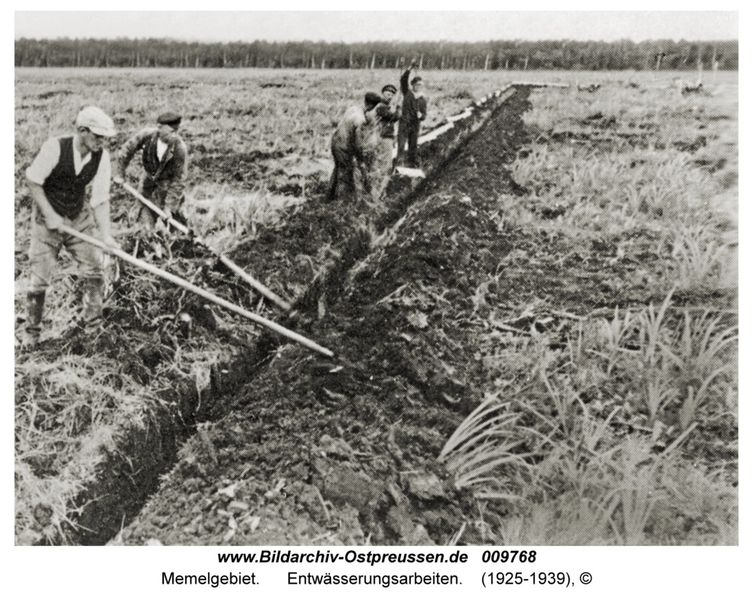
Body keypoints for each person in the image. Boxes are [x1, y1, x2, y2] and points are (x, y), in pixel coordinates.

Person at [22, 106, 118, 349]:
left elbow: (100, 199)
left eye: (105, 137)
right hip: (47, 219)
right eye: (98, 136)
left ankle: (93, 329)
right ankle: (31, 334)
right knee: (39, 280)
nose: (102, 142)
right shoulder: (55, 148)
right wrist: (50, 215)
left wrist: (106, 235)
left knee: (94, 271)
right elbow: (33, 180)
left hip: (78, 216)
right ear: (82, 131)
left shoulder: (101, 157)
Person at [115, 112, 188, 228]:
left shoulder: (179, 148)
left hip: (167, 184)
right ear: (159, 128)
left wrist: (169, 207)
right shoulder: (146, 135)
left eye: (176, 132)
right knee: (141, 211)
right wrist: (120, 173)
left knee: (171, 219)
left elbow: (178, 180)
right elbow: (126, 150)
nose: (174, 136)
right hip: (148, 179)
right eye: (171, 132)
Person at [328, 92, 382, 202]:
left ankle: (329, 197)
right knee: (345, 175)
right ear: (372, 106)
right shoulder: (360, 120)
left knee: (338, 169)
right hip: (343, 147)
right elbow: (357, 143)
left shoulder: (353, 109)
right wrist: (360, 159)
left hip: (335, 142)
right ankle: (342, 202)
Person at [359, 84, 400, 201]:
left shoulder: (384, 106)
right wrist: (398, 109)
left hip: (383, 137)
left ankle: (374, 192)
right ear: (382, 94)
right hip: (383, 138)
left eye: (391, 95)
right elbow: (394, 117)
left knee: (379, 165)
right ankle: (376, 194)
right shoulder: (381, 107)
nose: (389, 97)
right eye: (388, 94)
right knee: (384, 166)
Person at [397, 60, 428, 168]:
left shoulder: (423, 99)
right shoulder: (407, 93)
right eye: (417, 84)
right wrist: (410, 67)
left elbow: (424, 114)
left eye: (421, 85)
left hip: (415, 125)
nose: (419, 86)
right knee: (401, 145)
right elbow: (403, 79)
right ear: (413, 85)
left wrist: (421, 116)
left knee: (413, 146)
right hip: (404, 123)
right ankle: (399, 165)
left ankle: (411, 165)